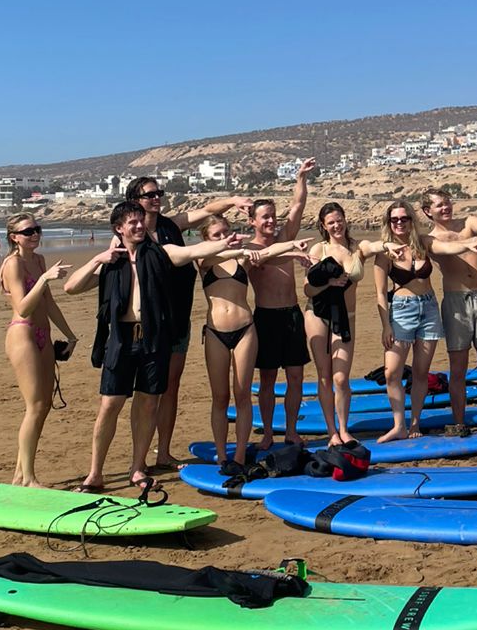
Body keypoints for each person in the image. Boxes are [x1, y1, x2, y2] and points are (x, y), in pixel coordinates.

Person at [63, 200, 247, 492]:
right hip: (121, 340)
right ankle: (95, 473)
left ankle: (138, 468)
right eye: (132, 222)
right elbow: (71, 287)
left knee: (148, 404)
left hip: (152, 339)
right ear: (118, 228)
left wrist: (224, 242)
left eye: (141, 221)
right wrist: (99, 259)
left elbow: (192, 251)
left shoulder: (160, 253)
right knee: (109, 405)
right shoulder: (113, 261)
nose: (139, 226)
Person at [124, 176, 254, 471]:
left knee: (171, 386)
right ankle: (139, 460)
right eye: (149, 195)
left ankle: (164, 453)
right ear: (136, 200)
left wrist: (233, 201)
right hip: (149, 322)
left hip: (178, 317)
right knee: (149, 391)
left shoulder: (173, 224)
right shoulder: (134, 233)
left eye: (159, 193)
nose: (156, 198)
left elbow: (208, 210)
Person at [199, 213, 310, 474]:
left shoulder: (241, 258)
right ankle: (220, 454)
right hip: (215, 332)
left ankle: (238, 454)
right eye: (217, 235)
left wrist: (293, 246)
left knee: (242, 394)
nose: (224, 238)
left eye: (226, 232)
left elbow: (270, 250)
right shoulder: (203, 260)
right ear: (206, 239)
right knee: (220, 397)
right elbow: (198, 254)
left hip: (246, 330)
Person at [373, 199, 477, 442]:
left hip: (428, 308)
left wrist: (471, 242)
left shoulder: (423, 243)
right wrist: (386, 325)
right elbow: (380, 293)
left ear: (412, 220)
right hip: (401, 312)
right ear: (388, 223)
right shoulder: (384, 253)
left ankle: (414, 421)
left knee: (421, 372)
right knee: (391, 372)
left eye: (404, 218)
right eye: (394, 219)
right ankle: (398, 425)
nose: (399, 223)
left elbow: (447, 248)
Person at [420, 186, 477, 434]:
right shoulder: (430, 239)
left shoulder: (468, 222)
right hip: (456, 302)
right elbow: (446, 249)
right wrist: (469, 244)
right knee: (458, 369)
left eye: (447, 202)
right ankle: (459, 423)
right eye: (439, 205)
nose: (445, 207)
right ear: (428, 211)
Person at [0, 213, 76, 486]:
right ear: (14, 237)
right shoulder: (13, 264)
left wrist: (70, 335)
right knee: (35, 406)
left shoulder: (40, 260)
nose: (34, 235)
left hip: (44, 334)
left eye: (37, 230)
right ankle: (28, 477)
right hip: (23, 334)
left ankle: (21, 474)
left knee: (44, 406)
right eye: (27, 231)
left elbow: (49, 303)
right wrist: (44, 278)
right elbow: (23, 307)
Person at [247, 159, 315, 449]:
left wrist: (300, 177)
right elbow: (262, 259)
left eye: (273, 215)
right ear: (253, 221)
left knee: (296, 376)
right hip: (265, 317)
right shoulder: (248, 249)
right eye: (265, 217)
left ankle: (290, 430)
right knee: (267, 379)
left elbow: (298, 205)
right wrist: (290, 252)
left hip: (291, 315)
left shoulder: (286, 236)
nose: (271, 221)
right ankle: (266, 433)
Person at [303, 201, 381, 445]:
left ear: (346, 220)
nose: (336, 226)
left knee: (341, 378)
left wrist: (389, 245)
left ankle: (344, 428)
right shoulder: (319, 249)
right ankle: (332, 432)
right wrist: (329, 284)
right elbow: (308, 289)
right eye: (331, 223)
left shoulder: (358, 248)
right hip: (318, 313)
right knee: (325, 375)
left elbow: (375, 245)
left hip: (346, 316)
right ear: (324, 226)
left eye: (339, 220)